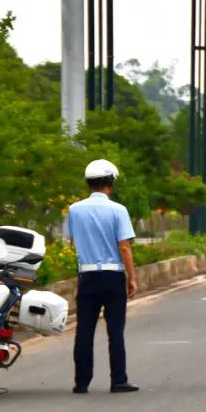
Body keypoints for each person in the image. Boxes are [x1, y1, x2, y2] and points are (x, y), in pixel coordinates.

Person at [66, 159, 139, 394]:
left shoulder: (75, 210)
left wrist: (79, 279)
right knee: (115, 331)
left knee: (84, 331)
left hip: (87, 277)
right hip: (113, 276)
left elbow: (76, 244)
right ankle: (118, 380)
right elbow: (124, 247)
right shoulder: (118, 210)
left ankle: (81, 382)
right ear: (110, 183)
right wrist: (132, 278)